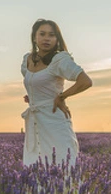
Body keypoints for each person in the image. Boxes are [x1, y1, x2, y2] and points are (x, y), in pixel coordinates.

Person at [20, 19, 93, 167]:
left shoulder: (59, 60)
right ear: (34, 37)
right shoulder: (27, 60)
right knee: (35, 169)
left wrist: (62, 96)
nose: (47, 38)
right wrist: (33, 96)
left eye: (52, 35)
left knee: (63, 165)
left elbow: (85, 81)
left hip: (55, 121)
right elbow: (36, 83)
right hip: (35, 123)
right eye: (42, 34)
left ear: (57, 39)